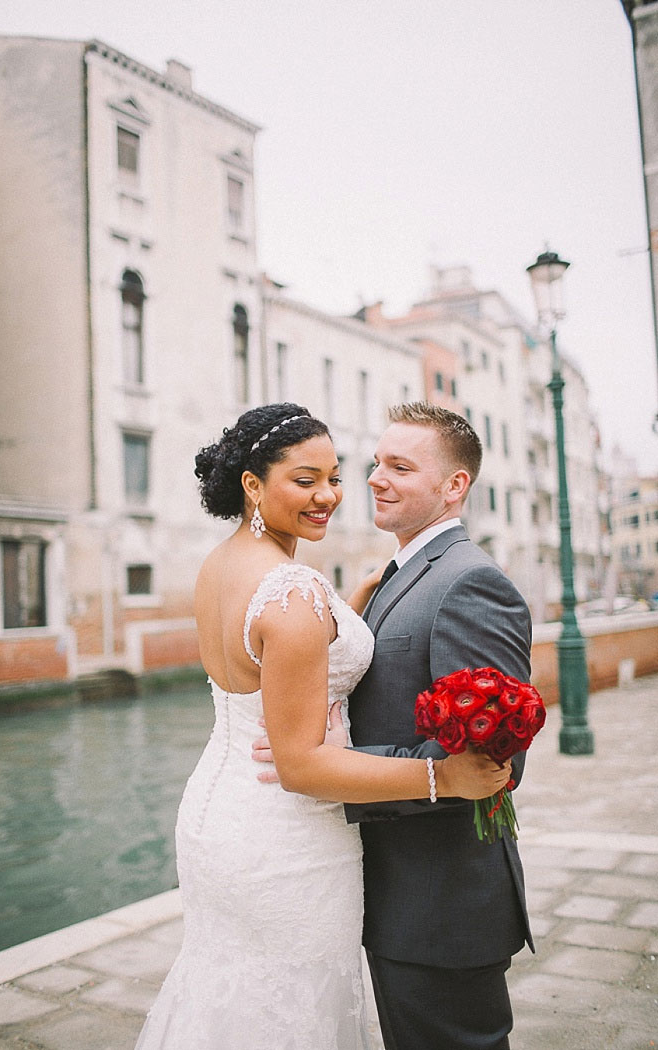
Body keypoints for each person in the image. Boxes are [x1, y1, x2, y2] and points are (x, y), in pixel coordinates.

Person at [134, 402, 510, 1050]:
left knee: (230, 992)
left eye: (335, 477)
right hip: (287, 843)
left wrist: (350, 607)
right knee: (290, 1009)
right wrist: (442, 774)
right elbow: (301, 765)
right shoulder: (294, 593)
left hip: (218, 817)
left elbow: (269, 657)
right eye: (304, 480)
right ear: (252, 484)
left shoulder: (219, 567)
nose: (329, 496)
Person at [254, 401, 534, 1050]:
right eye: (375, 463)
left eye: (399, 467)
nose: (375, 479)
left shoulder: (471, 583)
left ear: (453, 486)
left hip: (440, 906)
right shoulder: (395, 577)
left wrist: (330, 762)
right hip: (396, 899)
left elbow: (495, 764)